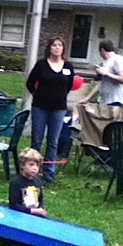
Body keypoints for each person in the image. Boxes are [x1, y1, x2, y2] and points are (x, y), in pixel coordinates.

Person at [25, 37, 75, 182]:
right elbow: (30, 83)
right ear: (49, 48)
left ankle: (49, 173)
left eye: (60, 45)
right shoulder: (41, 65)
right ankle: (33, 170)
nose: (57, 48)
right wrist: (38, 95)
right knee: (37, 140)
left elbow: (69, 86)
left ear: (63, 49)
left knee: (53, 141)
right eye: (54, 45)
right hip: (40, 107)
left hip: (58, 108)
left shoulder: (68, 67)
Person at [78, 39, 123, 121]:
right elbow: (100, 84)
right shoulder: (105, 63)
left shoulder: (118, 59)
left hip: (115, 101)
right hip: (103, 102)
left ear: (102, 50)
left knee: (113, 126)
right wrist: (87, 98)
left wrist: (106, 73)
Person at [9, 148, 47, 216]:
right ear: (22, 165)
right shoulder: (16, 182)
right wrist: (31, 211)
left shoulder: (38, 181)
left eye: (37, 165)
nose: (35, 168)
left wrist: (41, 209)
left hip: (35, 215)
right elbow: (13, 205)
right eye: (31, 165)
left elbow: (40, 200)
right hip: (19, 215)